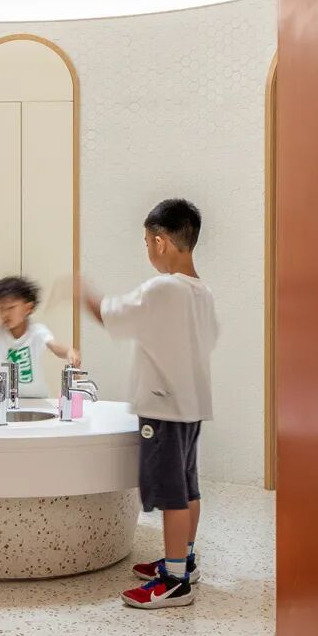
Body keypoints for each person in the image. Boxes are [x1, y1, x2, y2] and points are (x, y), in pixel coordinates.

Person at [81, 198, 218, 610]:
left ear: (161, 242)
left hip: (163, 407)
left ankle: (175, 581)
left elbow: (113, 315)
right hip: (191, 404)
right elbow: (209, 338)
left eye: (146, 242)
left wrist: (81, 293)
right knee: (188, 486)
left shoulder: (163, 287)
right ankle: (185, 560)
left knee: (172, 495)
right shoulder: (202, 291)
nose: (147, 250)